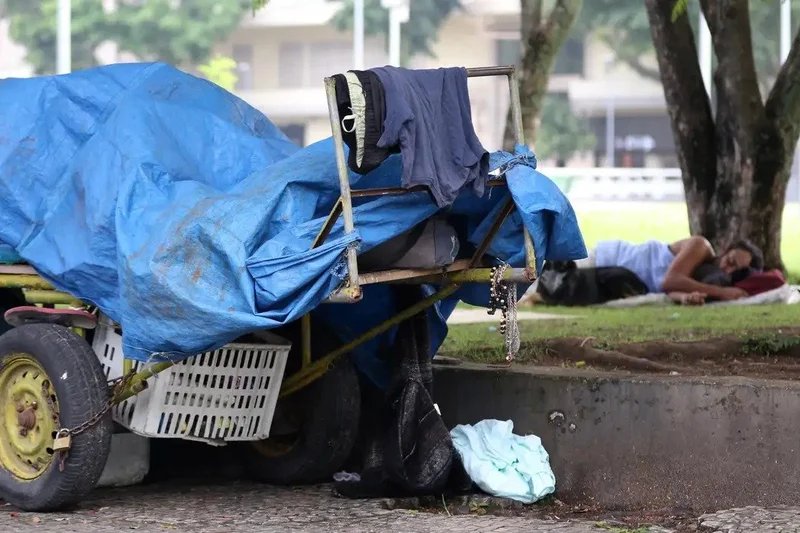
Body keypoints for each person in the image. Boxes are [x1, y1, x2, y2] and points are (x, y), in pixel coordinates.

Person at [521, 236, 764, 306]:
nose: (726, 267)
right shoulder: (701, 247)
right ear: (725, 250)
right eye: (730, 259)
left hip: (618, 280)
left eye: (734, 270)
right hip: (611, 259)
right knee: (538, 280)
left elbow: (671, 290)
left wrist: (689, 298)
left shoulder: (707, 279)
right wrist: (724, 293)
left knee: (548, 289)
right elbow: (670, 280)